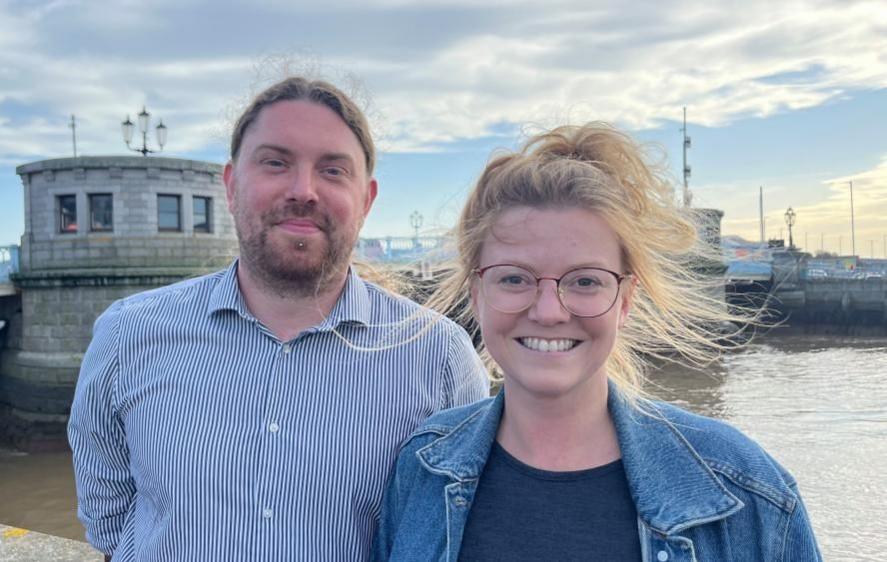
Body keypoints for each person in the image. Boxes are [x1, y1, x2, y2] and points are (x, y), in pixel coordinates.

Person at [68, 76, 489, 561]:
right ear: (230, 184)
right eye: (275, 162)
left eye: (333, 170)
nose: (303, 190)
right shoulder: (128, 336)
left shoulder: (439, 357)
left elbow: (449, 533)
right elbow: (112, 522)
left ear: (367, 200)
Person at [373, 123, 822, 561]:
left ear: (625, 300)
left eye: (585, 280)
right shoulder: (421, 468)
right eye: (514, 278)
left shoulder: (748, 491)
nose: (549, 311)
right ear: (476, 294)